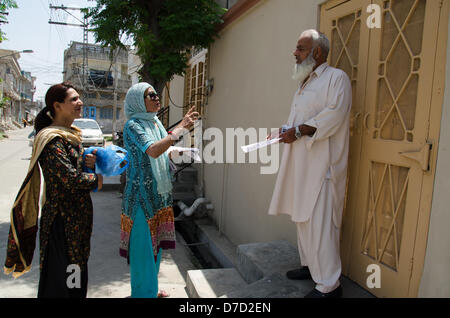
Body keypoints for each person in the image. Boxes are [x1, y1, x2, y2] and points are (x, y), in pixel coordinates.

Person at [267, 29, 352, 298]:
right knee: (301, 218)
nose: (295, 53)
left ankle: (329, 285)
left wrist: (299, 131)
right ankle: (311, 266)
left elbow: (333, 116)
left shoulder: (336, 79)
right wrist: (284, 131)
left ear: (316, 52)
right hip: (300, 166)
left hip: (322, 167)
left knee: (320, 224)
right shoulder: (303, 85)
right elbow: (296, 122)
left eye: (300, 49)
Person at [4, 82, 103, 298]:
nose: (80, 103)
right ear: (57, 106)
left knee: (75, 275)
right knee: (63, 280)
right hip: (62, 222)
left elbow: (76, 171)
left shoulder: (71, 135)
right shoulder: (52, 140)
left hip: (78, 221)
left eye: (79, 98)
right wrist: (95, 179)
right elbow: (70, 178)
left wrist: (89, 163)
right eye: (73, 99)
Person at [120, 82, 198, 298]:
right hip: (141, 198)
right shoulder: (133, 125)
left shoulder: (154, 123)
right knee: (143, 249)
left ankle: (150, 289)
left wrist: (180, 150)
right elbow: (153, 150)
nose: (156, 99)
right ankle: (142, 294)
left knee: (156, 246)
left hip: (159, 195)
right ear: (138, 101)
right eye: (151, 95)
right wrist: (181, 127)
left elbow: (163, 150)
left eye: (156, 95)